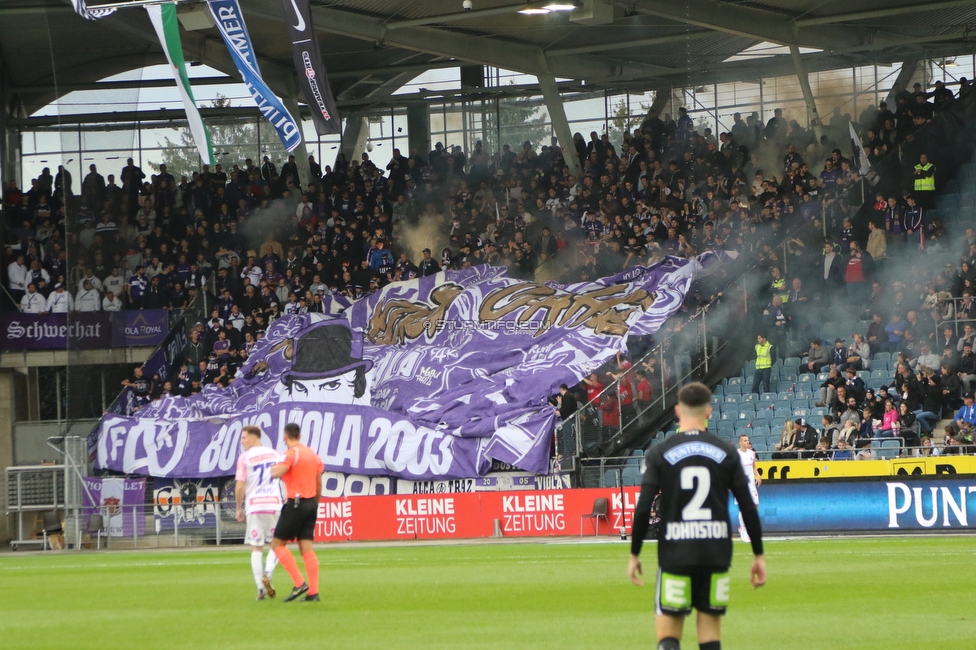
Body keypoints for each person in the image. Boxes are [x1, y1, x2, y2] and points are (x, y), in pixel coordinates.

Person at [627, 382, 765, 650]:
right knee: (710, 636)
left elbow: (643, 507)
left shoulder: (660, 452)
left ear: (677, 411)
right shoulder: (727, 453)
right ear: (709, 412)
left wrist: (634, 554)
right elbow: (747, 505)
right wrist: (758, 555)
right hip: (715, 554)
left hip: (676, 553)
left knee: (668, 637)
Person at [269, 422, 325, 602]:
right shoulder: (313, 454)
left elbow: (279, 471)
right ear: (299, 436)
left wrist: (269, 469)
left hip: (296, 503)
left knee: (277, 545)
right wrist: (315, 502)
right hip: (310, 503)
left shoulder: (292, 453)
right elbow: (318, 482)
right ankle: (313, 593)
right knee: (306, 548)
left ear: (285, 437)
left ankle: (299, 583)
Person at [234, 425, 282, 600]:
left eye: (244, 438)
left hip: (254, 505)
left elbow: (240, 486)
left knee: (256, 547)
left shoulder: (244, 458)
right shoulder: (275, 454)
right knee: (277, 544)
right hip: (273, 504)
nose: (241, 441)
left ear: (254, 438)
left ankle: (260, 589)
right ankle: (268, 573)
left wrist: (239, 508)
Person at [735, 435, 760, 543]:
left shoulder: (752, 453)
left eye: (748, 440)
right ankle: (744, 530)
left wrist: (757, 475)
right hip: (740, 484)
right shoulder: (736, 454)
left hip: (751, 485)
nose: (747, 442)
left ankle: (747, 527)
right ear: (740, 443)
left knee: (755, 506)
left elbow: (753, 467)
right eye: (745, 441)